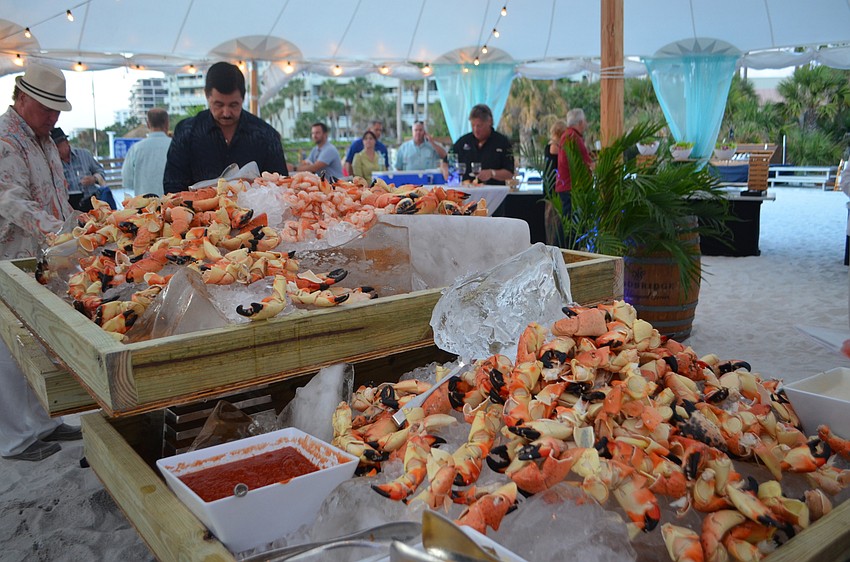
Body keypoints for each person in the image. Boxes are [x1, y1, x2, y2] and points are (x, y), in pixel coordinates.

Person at [0, 62, 82, 461]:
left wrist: (77, 225)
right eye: (46, 108)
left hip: (43, 257)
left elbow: (56, 196)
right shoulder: (5, 139)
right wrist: (59, 232)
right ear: (22, 98)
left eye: (57, 110)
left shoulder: (45, 140)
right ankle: (14, 437)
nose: (53, 117)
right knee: (8, 347)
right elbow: (11, 200)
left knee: (39, 340)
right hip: (10, 255)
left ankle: (45, 421)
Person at [163, 62, 288, 193]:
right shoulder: (187, 132)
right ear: (207, 95)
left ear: (243, 98)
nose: (226, 113)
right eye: (218, 105)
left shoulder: (266, 134)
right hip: (197, 206)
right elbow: (173, 187)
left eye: (234, 105)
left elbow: (281, 186)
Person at [555, 108, 594, 248]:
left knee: (568, 224)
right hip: (571, 187)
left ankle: (564, 250)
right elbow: (584, 163)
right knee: (570, 226)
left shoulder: (568, 135)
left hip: (568, 185)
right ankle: (566, 251)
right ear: (581, 122)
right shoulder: (572, 137)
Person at [450, 104, 514, 185]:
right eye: (473, 125)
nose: (476, 130)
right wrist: (447, 173)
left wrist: (492, 173)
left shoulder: (502, 142)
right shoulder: (464, 141)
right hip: (466, 190)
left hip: (493, 191)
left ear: (489, 122)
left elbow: (509, 173)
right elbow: (448, 159)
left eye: (479, 126)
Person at [51, 127, 106, 212]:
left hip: (91, 202)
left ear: (67, 142)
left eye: (58, 146)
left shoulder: (84, 154)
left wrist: (93, 179)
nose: (56, 150)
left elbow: (101, 171)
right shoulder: (52, 162)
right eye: (53, 147)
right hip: (68, 206)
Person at [122, 107, 171, 197]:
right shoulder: (175, 146)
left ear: (148, 124)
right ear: (167, 123)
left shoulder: (136, 149)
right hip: (171, 202)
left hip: (144, 203)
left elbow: (127, 181)